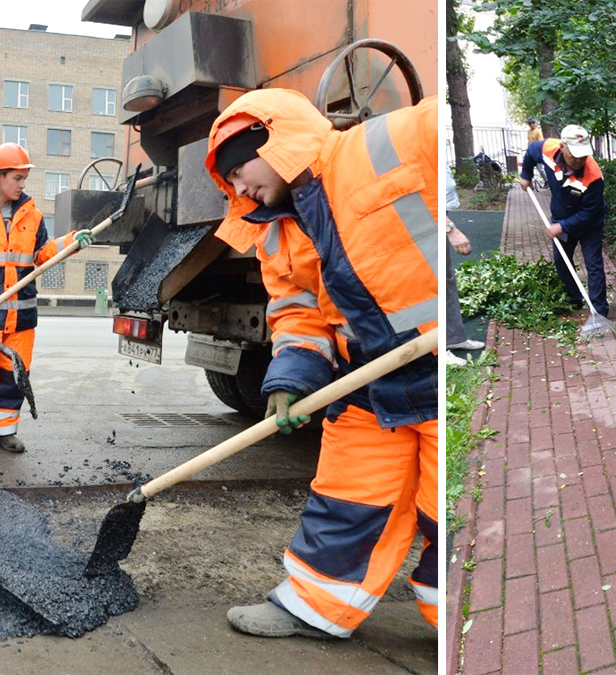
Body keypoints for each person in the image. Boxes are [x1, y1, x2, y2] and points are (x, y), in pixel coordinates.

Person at [204, 89, 439, 639]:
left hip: (433, 368)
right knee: (346, 496)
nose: (238, 188)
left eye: (241, 168)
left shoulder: (386, 143)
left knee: (444, 511)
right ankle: (315, 606)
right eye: (230, 181)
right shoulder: (278, 235)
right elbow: (297, 316)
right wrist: (289, 381)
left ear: (276, 139)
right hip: (366, 381)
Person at [0, 143, 92, 476]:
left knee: (14, 377)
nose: (23, 184)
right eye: (17, 178)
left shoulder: (32, 215)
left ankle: (3, 430)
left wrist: (72, 241)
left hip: (21, 317)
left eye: (24, 178)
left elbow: (43, 255)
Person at [519, 124, 610, 317]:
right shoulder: (547, 149)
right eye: (574, 155)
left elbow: (590, 212)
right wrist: (525, 175)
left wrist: (562, 227)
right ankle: (574, 298)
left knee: (593, 264)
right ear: (562, 147)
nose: (578, 160)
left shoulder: (593, 176)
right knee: (561, 261)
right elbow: (530, 152)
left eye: (583, 155)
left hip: (589, 224)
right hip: (561, 216)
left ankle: (599, 311)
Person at [445, 170, 484, 366]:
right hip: (427, 221)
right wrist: (449, 228)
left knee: (446, 280)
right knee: (432, 285)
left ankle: (453, 337)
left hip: (440, 215)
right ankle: (437, 349)